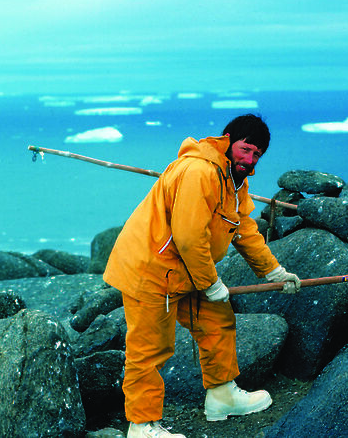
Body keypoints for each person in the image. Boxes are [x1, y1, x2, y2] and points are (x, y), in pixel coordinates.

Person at [103, 114, 301, 438]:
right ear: (227, 140)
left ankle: (222, 396)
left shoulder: (234, 181)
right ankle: (141, 426)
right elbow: (188, 236)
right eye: (245, 149)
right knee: (150, 349)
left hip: (184, 271)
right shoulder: (200, 172)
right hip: (151, 269)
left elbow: (245, 229)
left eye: (257, 155)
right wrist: (211, 283)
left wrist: (273, 271)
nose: (249, 160)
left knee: (216, 321)